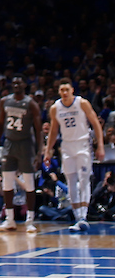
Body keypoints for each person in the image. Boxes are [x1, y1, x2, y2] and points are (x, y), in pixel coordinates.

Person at [43, 77, 104, 233]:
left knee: (84, 180)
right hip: (67, 146)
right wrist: (48, 150)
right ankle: (78, 218)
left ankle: (83, 216)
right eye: (61, 90)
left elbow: (96, 124)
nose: (64, 92)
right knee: (71, 181)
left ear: (72, 90)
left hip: (83, 145)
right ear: (59, 92)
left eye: (67, 90)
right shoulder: (55, 108)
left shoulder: (82, 103)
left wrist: (100, 146)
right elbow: (53, 131)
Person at [0, 74, 42, 232]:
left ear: (24, 85)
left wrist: (39, 152)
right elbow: (0, 125)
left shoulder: (31, 103)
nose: (16, 85)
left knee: (29, 183)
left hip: (25, 144)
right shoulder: (4, 101)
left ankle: (30, 220)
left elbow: (38, 130)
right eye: (14, 83)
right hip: (9, 143)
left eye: (19, 83)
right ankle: (10, 219)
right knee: (7, 183)